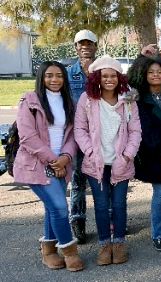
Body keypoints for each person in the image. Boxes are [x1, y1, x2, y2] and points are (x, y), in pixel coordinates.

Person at [15, 61, 83, 271]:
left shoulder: (69, 101)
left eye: (59, 76)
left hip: (62, 164)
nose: (54, 80)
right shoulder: (30, 101)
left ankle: (49, 251)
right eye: (49, 76)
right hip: (37, 164)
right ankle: (69, 252)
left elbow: (72, 136)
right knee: (60, 207)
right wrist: (54, 160)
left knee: (52, 208)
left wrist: (65, 157)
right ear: (41, 78)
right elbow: (27, 137)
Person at [73, 56, 141, 266]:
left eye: (113, 75)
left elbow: (135, 131)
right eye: (105, 76)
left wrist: (127, 155)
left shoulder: (127, 100)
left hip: (121, 161)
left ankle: (119, 243)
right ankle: (104, 244)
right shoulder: (87, 99)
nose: (109, 79)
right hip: (96, 162)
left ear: (119, 78)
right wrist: (90, 152)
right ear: (97, 78)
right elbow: (79, 129)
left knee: (119, 204)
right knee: (101, 205)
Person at [127, 55, 161, 252]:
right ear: (144, 75)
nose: (156, 75)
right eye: (151, 72)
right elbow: (145, 129)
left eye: (159, 72)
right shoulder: (138, 99)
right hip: (153, 154)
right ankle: (159, 234)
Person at [67, 29, 98, 244]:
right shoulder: (68, 73)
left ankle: (113, 221)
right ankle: (78, 222)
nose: (85, 46)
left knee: (105, 181)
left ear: (96, 46)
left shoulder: (105, 70)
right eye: (81, 43)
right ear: (76, 47)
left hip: (103, 136)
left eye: (89, 43)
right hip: (77, 137)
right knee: (78, 183)